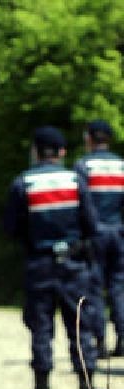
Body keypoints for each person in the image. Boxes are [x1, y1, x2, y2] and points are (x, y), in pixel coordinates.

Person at [4, 126, 106, 389]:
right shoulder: (76, 181)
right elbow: (92, 225)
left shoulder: (23, 183)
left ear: (35, 151)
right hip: (74, 264)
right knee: (79, 324)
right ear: (61, 152)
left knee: (41, 327)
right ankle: (86, 387)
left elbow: (11, 228)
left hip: (39, 265)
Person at [73, 119, 124, 358]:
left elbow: (81, 205)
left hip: (95, 235)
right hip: (119, 232)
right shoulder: (121, 166)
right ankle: (123, 338)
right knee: (118, 286)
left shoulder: (83, 166)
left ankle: (100, 341)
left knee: (94, 289)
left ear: (90, 138)